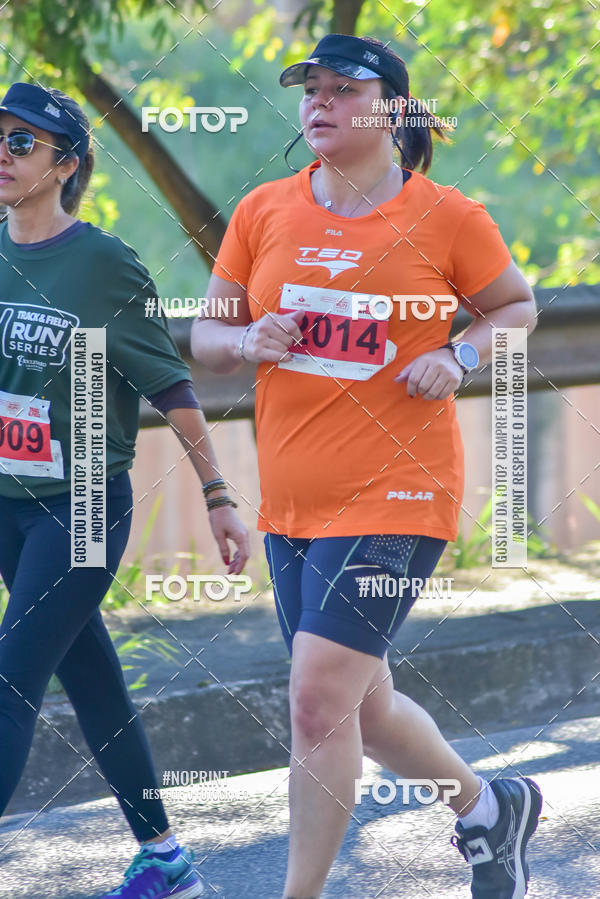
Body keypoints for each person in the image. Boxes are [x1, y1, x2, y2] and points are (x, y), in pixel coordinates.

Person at [191, 34, 542, 899]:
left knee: (316, 699)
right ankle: (489, 808)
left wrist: (459, 355)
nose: (320, 102)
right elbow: (207, 335)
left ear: (393, 109)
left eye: (344, 89)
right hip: (294, 504)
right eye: (310, 88)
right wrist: (246, 338)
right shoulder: (263, 210)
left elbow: (517, 307)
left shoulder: (449, 216)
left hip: (400, 492)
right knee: (364, 707)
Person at [0, 82, 249, 899]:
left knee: (11, 678)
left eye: (21, 142)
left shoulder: (104, 264)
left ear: (66, 165)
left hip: (78, 509)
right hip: (6, 505)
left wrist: (218, 495)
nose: (2, 154)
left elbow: (171, 387)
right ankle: (165, 856)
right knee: (90, 675)